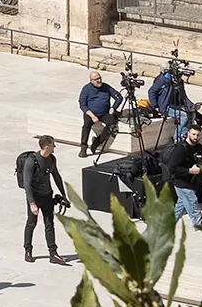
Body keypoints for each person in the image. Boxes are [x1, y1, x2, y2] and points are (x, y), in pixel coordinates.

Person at [18, 135, 71, 265]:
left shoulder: (52, 159)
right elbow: (27, 184)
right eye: (53, 145)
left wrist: (64, 195)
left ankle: (53, 254)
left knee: (49, 224)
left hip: (47, 195)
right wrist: (32, 204)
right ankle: (28, 250)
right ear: (46, 147)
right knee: (31, 223)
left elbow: (56, 176)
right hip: (35, 197)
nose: (54, 147)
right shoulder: (32, 161)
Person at [154, 126, 202, 225]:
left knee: (180, 208)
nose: (195, 137)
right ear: (188, 133)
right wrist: (190, 171)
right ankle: (200, 231)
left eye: (198, 135)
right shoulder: (181, 149)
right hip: (182, 184)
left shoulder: (197, 146)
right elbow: (172, 168)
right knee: (194, 209)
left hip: (190, 182)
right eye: (193, 134)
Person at [78, 70, 125, 157]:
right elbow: (82, 104)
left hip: (104, 113)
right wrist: (92, 116)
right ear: (91, 81)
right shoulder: (86, 89)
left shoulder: (106, 87)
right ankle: (83, 148)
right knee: (86, 126)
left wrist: (113, 108)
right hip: (91, 113)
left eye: (99, 78)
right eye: (96, 79)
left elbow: (119, 97)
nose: (99, 80)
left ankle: (97, 141)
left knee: (111, 124)